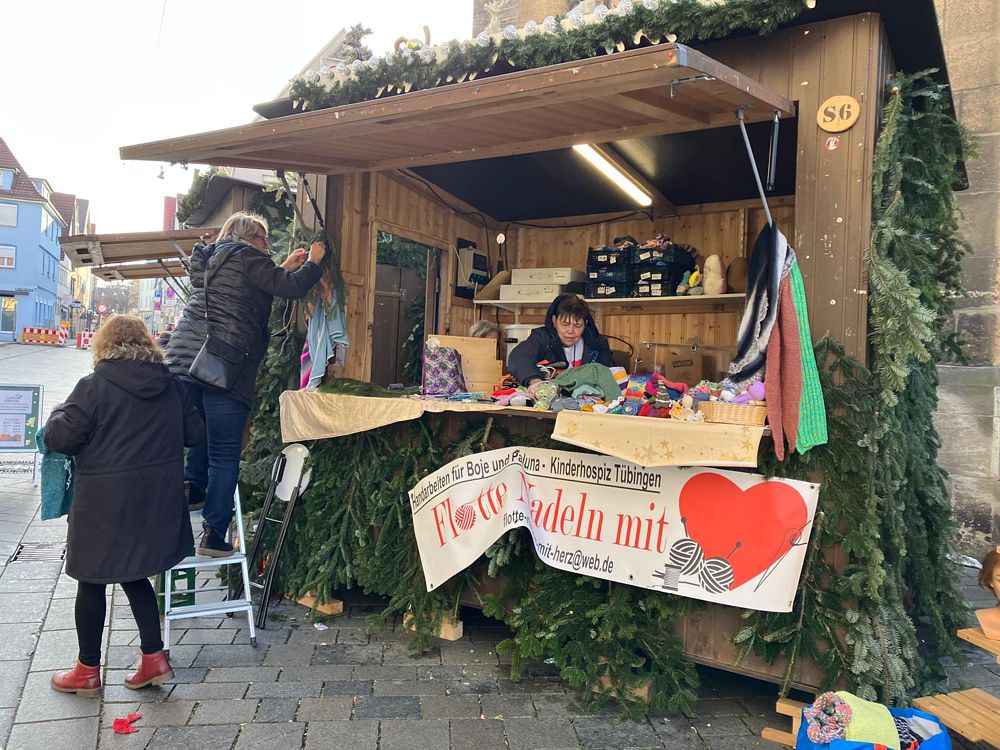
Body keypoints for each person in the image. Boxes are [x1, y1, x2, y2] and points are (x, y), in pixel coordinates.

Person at [43, 315, 204, 696]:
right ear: (148, 344)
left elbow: (60, 437)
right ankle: (154, 659)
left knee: (92, 579)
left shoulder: (94, 385)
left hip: (104, 501)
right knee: (136, 573)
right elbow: (195, 434)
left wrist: (56, 414)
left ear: (103, 345)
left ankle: (86, 671)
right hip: (155, 499)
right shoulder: (172, 385)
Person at [165, 211, 324, 557]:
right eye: (264, 240)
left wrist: (281, 264)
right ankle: (214, 534)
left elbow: (249, 288)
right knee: (225, 454)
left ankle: (193, 488)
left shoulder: (210, 260)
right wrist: (313, 262)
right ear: (250, 239)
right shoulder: (250, 259)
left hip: (183, 360)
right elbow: (291, 288)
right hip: (224, 363)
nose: (266, 247)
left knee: (198, 433)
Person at [507, 293, 612, 396]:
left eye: (577, 325)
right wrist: (535, 381)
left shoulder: (598, 344)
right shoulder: (542, 337)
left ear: (585, 324)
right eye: (565, 324)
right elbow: (519, 358)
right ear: (554, 321)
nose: (570, 331)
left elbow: (606, 376)